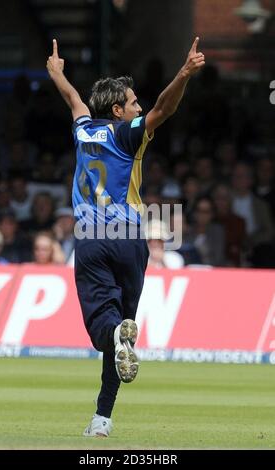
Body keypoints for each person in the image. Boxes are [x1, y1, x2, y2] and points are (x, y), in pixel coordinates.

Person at [47, 37, 205, 437]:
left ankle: (114, 346)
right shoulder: (125, 134)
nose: (139, 107)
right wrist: (184, 74)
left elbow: (74, 102)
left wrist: (57, 74)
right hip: (130, 238)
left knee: (107, 328)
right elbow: (163, 110)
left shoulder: (84, 131)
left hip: (92, 238)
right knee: (121, 333)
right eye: (133, 102)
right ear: (118, 111)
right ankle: (102, 418)